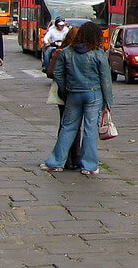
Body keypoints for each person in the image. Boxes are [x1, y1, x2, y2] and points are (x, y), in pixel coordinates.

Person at [41, 22, 113, 176]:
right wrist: (108, 102)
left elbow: (58, 73)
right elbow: (105, 79)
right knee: (90, 129)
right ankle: (89, 165)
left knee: (68, 127)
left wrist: (64, 89)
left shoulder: (67, 52)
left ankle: (56, 162)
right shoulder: (98, 53)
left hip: (73, 93)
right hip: (93, 94)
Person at [51, 26, 83, 170]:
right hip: (74, 93)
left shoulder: (61, 52)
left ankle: (66, 157)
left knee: (65, 124)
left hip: (65, 93)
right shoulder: (79, 53)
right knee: (74, 125)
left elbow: (51, 71)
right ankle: (74, 157)